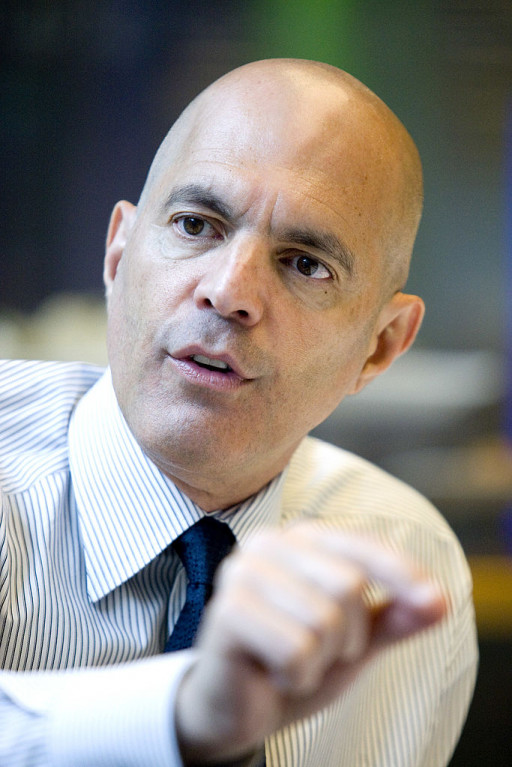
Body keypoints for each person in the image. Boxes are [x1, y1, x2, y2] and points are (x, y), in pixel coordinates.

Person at [0, 59, 477, 766]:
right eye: (196, 224)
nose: (229, 292)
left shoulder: (408, 565)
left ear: (379, 347)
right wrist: (186, 721)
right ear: (118, 254)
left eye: (305, 264)